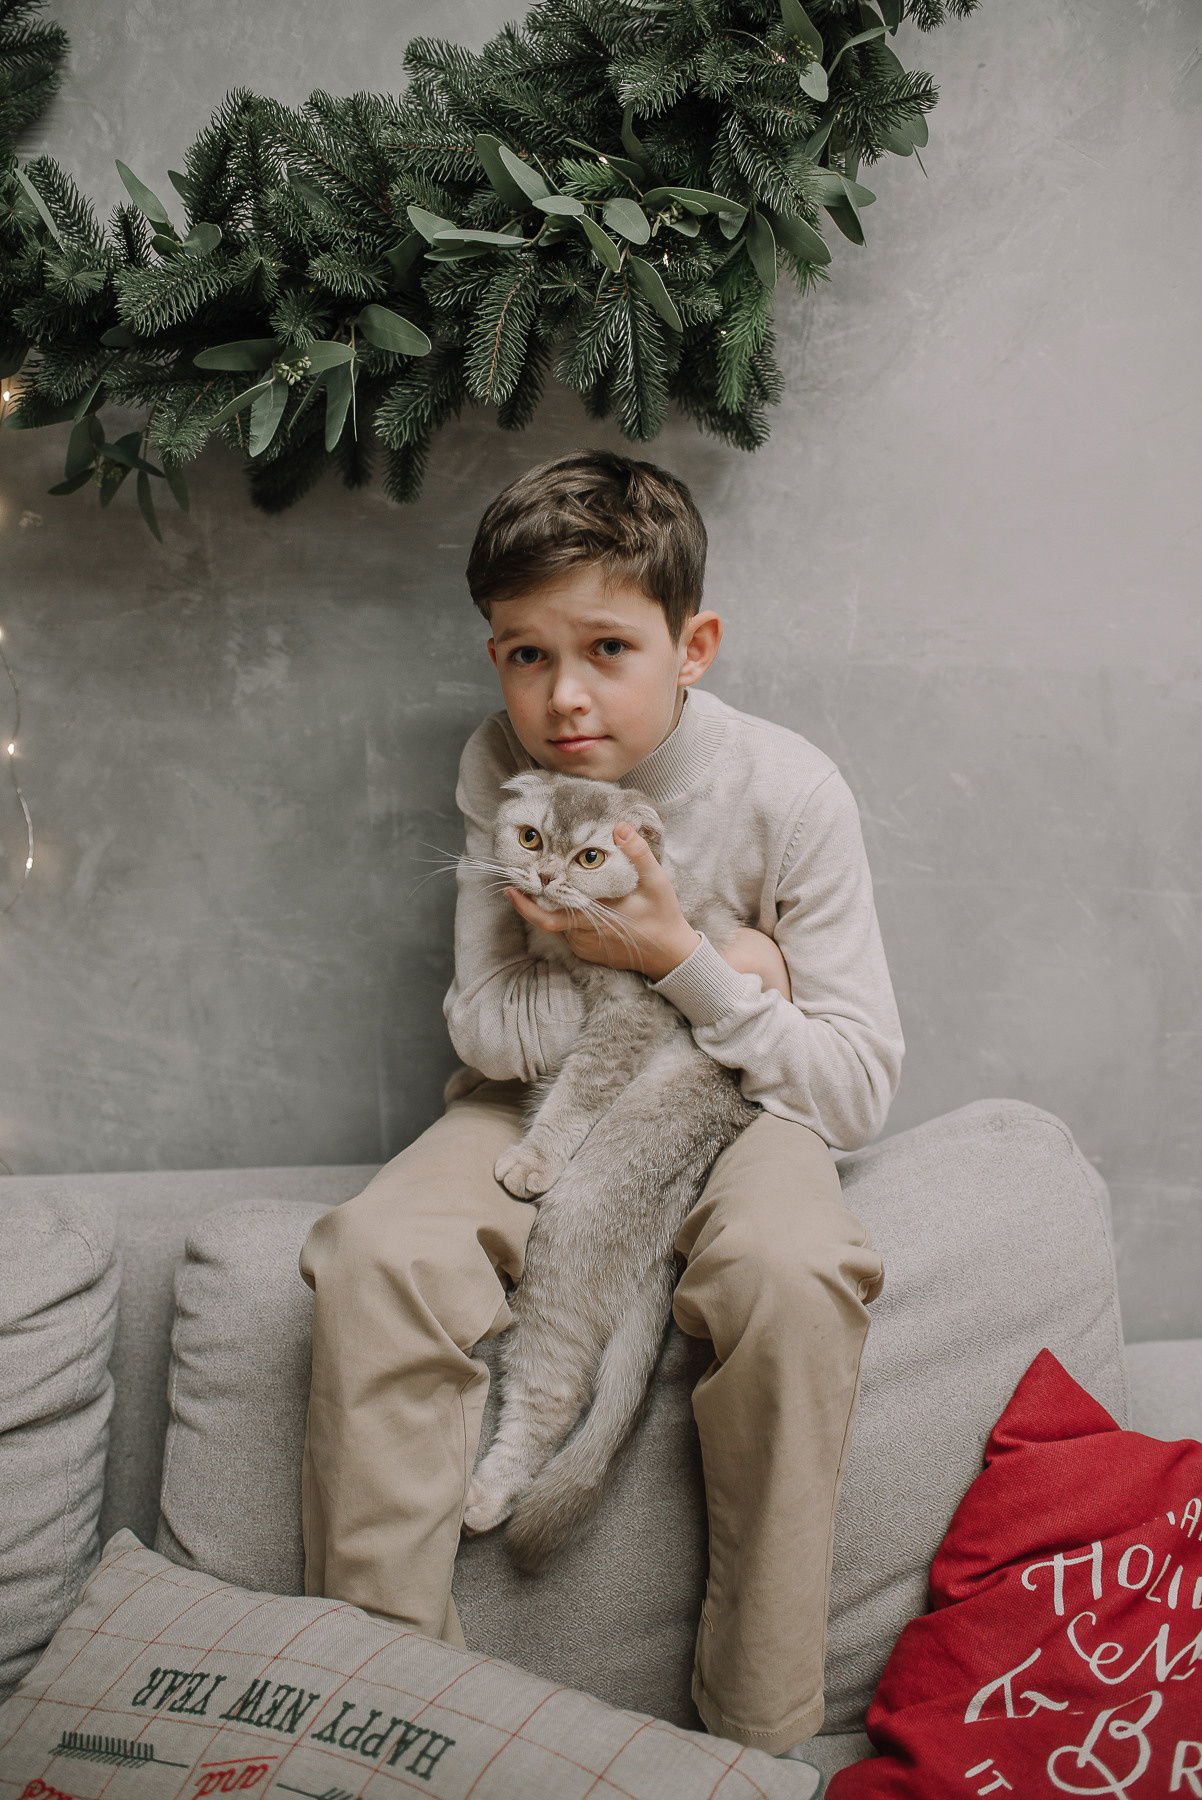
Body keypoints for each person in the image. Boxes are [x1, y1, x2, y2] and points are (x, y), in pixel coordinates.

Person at [299, 449, 904, 1766]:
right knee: (372, 1253)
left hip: (737, 1109)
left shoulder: (787, 788)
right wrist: (689, 964)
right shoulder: (497, 764)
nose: (560, 696)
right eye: (520, 654)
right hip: (534, 1102)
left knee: (796, 1271)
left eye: (605, 648)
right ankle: (384, 1728)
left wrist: (671, 961)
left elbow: (851, 1082)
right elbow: (482, 1027)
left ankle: (756, 1741)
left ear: (692, 646)